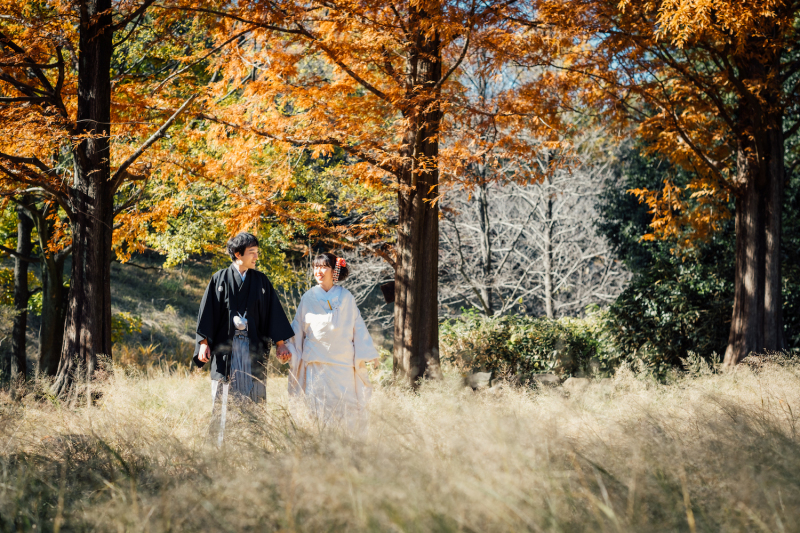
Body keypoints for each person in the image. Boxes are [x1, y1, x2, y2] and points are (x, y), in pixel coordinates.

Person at [193, 233, 294, 441]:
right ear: (238, 254)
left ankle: (254, 446)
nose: (256, 257)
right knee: (223, 400)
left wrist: (281, 344)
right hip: (226, 352)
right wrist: (203, 343)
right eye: (252, 253)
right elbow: (207, 315)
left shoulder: (261, 281)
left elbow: (272, 314)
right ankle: (221, 449)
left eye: (257, 252)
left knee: (254, 398)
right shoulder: (218, 279)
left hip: (252, 350)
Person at [286, 252, 379, 434]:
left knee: (346, 406)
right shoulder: (308, 297)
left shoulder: (346, 297)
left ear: (334, 271)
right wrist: (287, 348)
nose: (318, 271)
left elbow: (357, 326)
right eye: (316, 267)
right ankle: (319, 444)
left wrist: (369, 353)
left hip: (342, 364)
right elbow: (297, 329)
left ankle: (347, 445)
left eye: (324, 267)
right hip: (316, 364)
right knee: (317, 406)